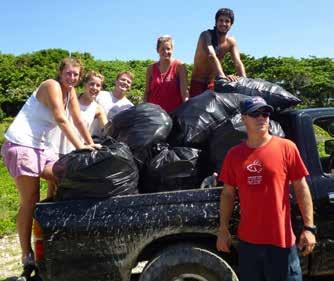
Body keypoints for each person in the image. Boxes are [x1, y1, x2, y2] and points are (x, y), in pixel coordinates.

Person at [1, 57, 100, 280]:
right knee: (30, 199)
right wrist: (81, 148)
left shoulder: (71, 91)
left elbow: (78, 120)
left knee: (61, 178)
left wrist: (90, 142)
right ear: (60, 72)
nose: (72, 78)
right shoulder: (51, 86)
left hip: (43, 147)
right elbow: (61, 119)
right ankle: (27, 255)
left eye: (76, 74)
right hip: (22, 144)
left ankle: (50, 236)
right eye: (69, 73)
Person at [216, 96, 316, 281]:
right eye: (255, 113)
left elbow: (301, 188)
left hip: (282, 242)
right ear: (243, 119)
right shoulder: (234, 155)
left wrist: (309, 228)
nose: (262, 118)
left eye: (265, 113)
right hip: (248, 245)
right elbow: (228, 194)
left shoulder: (287, 148)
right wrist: (223, 229)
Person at [189, 8, 246, 97]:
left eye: (227, 21)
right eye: (221, 20)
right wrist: (223, 77)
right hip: (198, 82)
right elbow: (211, 55)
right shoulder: (206, 35)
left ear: (231, 24)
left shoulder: (231, 42)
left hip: (213, 83)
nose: (223, 23)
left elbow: (238, 62)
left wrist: (245, 81)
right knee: (197, 109)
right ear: (216, 22)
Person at [53, 70, 108, 155]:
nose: (94, 88)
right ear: (85, 84)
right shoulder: (69, 98)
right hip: (55, 147)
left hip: (77, 151)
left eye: (98, 85)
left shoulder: (98, 109)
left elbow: (107, 131)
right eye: (91, 84)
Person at [144, 35, 189, 113]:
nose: (166, 52)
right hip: (154, 115)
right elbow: (147, 92)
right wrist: (144, 111)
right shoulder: (150, 68)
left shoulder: (180, 66)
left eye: (168, 49)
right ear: (157, 50)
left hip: (174, 114)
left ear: (172, 49)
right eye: (162, 49)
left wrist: (187, 111)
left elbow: (184, 94)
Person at [91, 71, 134, 137]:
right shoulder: (100, 95)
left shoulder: (130, 107)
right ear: (116, 81)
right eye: (123, 79)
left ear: (130, 86)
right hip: (91, 137)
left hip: (110, 143)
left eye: (128, 82)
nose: (125, 82)